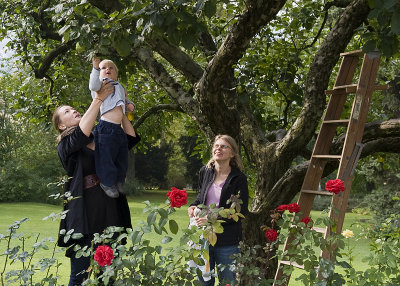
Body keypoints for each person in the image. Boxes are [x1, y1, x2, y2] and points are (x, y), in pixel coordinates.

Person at [52, 81, 140, 286]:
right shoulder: (66, 145)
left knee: (108, 276)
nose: (73, 110)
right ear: (61, 125)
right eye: (67, 111)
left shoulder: (101, 136)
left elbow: (130, 138)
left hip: (111, 210)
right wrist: (99, 99)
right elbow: (80, 135)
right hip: (83, 217)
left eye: (73, 108)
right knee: (79, 277)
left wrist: (120, 105)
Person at [188, 135, 249, 286]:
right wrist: (193, 205)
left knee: (228, 282)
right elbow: (201, 197)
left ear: (232, 153)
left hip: (227, 241)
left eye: (223, 146)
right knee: (203, 282)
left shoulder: (238, 178)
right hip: (202, 239)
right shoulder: (205, 171)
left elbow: (241, 211)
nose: (218, 149)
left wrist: (210, 218)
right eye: (216, 146)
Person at [89, 57, 135, 198]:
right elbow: (92, 85)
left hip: (118, 129)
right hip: (106, 127)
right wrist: (95, 68)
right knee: (106, 157)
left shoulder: (120, 86)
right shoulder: (101, 85)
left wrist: (129, 104)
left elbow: (125, 100)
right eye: (104, 68)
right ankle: (107, 182)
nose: (107, 69)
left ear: (116, 73)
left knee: (122, 157)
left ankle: (119, 181)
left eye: (111, 68)